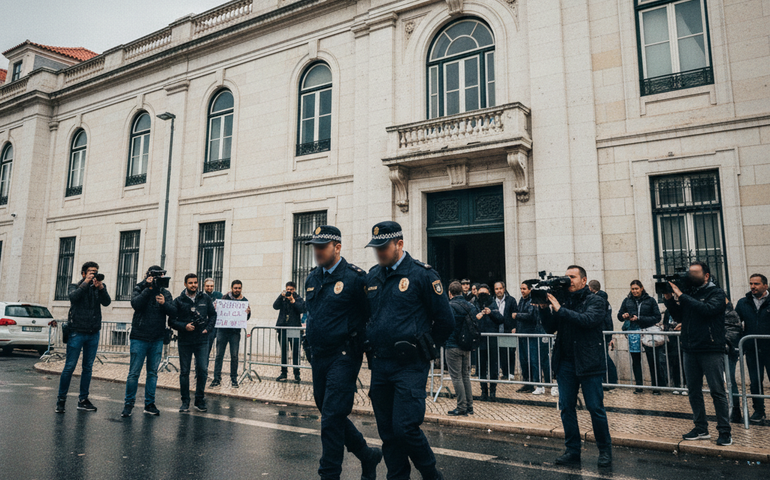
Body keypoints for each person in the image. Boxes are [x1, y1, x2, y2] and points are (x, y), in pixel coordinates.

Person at [364, 221, 454, 480]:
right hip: (381, 364)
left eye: (384, 247)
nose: (379, 252)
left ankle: (430, 473)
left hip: (410, 365)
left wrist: (425, 347)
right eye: (376, 248)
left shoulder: (422, 275)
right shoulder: (372, 276)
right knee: (388, 432)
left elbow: (445, 320)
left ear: (399, 244)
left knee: (405, 427)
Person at [303, 225, 383, 480]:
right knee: (329, 412)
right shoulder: (312, 278)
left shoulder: (355, 278)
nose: (317, 251)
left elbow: (371, 315)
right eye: (314, 246)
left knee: (332, 416)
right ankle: (367, 455)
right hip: (319, 355)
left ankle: (329, 474)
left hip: (344, 355)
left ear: (337, 247)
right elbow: (313, 315)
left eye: (322, 246)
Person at [538, 265, 612, 468]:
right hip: (566, 363)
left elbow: (587, 320)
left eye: (573, 276)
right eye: (567, 276)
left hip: (589, 362)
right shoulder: (563, 299)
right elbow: (551, 327)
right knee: (566, 408)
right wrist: (545, 309)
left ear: (584, 280)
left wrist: (560, 309)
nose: (568, 280)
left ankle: (605, 450)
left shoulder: (596, 300)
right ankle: (572, 451)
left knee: (595, 408)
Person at [664, 261, 731, 446]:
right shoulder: (690, 294)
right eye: (689, 273)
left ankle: (725, 431)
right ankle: (701, 428)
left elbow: (708, 310)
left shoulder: (716, 293)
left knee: (717, 392)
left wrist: (681, 295)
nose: (689, 276)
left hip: (710, 348)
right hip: (689, 348)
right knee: (693, 391)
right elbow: (680, 317)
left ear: (706, 276)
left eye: (694, 273)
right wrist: (669, 299)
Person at [55, 261, 112, 414]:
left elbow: (106, 302)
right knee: (70, 366)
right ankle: (61, 400)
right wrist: (86, 283)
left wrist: (100, 288)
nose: (94, 274)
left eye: (96, 272)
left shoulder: (99, 287)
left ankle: (83, 400)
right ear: (83, 273)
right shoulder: (74, 286)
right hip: (77, 332)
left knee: (88, 367)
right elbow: (73, 298)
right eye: (91, 272)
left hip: (93, 333)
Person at [121, 266, 176, 417]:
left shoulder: (165, 293)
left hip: (157, 337)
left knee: (152, 373)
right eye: (156, 276)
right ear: (148, 276)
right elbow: (136, 304)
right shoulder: (139, 287)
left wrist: (164, 303)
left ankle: (149, 404)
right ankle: (128, 404)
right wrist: (148, 288)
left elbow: (173, 312)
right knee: (134, 373)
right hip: (139, 337)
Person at [171, 273, 217, 413]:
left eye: (196, 282)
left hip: (202, 340)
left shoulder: (205, 298)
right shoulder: (179, 300)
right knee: (184, 372)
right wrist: (184, 326)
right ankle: (185, 401)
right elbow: (171, 321)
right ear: (185, 284)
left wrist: (208, 329)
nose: (193, 285)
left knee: (202, 370)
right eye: (190, 283)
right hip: (185, 340)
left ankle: (199, 400)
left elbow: (213, 315)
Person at [735, 273, 770, 425]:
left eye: (756, 284)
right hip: (752, 349)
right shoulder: (743, 302)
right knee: (755, 381)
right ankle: (759, 410)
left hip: (769, 348)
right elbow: (735, 323)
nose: (753, 287)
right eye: (751, 284)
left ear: (765, 285)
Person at [618, 280, 664, 394]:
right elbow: (619, 315)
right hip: (633, 332)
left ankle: (656, 387)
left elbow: (657, 317)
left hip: (647, 331)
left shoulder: (650, 300)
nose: (634, 291)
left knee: (652, 360)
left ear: (641, 288)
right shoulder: (627, 301)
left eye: (636, 289)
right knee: (636, 360)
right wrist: (624, 316)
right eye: (632, 289)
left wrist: (640, 318)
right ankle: (639, 386)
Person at [445, 281, 479, 416]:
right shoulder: (470, 305)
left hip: (453, 345)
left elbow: (446, 324)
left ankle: (461, 407)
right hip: (467, 345)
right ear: (461, 292)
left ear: (449, 293)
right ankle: (469, 406)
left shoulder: (449, 306)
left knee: (456, 377)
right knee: (465, 376)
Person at [515, 281, 554, 396]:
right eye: (521, 288)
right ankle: (537, 384)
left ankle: (549, 384)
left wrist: (517, 315)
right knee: (532, 361)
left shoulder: (534, 301)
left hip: (538, 333)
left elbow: (532, 316)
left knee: (542, 361)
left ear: (530, 289)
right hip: (526, 334)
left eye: (524, 289)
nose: (522, 291)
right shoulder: (522, 300)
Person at [210, 280, 250, 388]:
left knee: (234, 356)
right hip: (222, 331)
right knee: (219, 355)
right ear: (231, 288)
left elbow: (246, 318)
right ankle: (216, 378)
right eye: (235, 288)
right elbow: (217, 311)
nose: (237, 290)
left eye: (239, 288)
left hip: (235, 332)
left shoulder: (245, 300)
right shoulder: (224, 298)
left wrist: (248, 312)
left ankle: (234, 379)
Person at [473, 284, 505, 402]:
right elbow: (471, 320)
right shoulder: (475, 304)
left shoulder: (493, 303)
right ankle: (483, 391)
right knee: (481, 368)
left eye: (484, 294)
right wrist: (477, 317)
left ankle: (492, 391)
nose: (482, 296)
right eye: (480, 294)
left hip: (492, 341)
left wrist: (490, 313)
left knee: (493, 367)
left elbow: (501, 319)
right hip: (480, 340)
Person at [273, 281, 306, 383]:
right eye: (288, 289)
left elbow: (302, 309)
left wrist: (293, 301)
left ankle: (296, 373)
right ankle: (284, 373)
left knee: (295, 352)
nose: (289, 291)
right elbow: (275, 306)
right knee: (284, 352)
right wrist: (280, 296)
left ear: (294, 290)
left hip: (294, 328)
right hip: (283, 328)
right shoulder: (283, 298)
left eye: (291, 290)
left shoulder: (298, 298)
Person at [588, 280, 618, 388]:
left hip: (601, 332)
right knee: (603, 356)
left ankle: (611, 380)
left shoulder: (599, 300)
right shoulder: (605, 300)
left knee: (604, 357)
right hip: (605, 331)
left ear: (590, 288)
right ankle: (609, 380)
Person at [724, 298, 744, 424]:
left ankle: (735, 410)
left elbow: (734, 329)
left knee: (730, 380)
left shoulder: (728, 310)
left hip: (728, 350)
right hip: (710, 350)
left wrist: (725, 343)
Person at [494, 281, 518, 384]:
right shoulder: (492, 301)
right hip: (497, 330)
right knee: (501, 352)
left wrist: (515, 327)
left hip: (508, 329)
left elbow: (515, 314)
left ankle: (511, 373)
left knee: (510, 351)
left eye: (500, 288)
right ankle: (504, 372)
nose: (499, 291)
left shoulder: (511, 300)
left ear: (504, 289)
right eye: (496, 289)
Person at [203, 278, 223, 358]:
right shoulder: (201, 295)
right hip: (205, 325)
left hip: (216, 325)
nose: (209, 288)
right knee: (204, 348)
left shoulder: (218, 295)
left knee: (212, 347)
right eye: (207, 286)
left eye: (211, 286)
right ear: (204, 286)